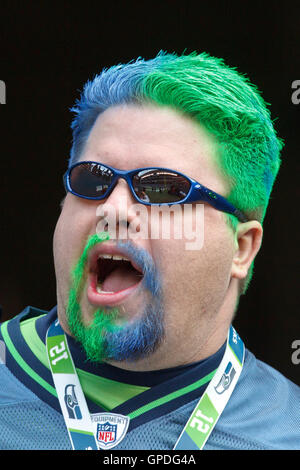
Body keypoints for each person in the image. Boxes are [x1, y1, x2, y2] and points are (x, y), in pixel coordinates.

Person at [0, 51, 299, 451]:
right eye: (93, 180)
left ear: (241, 249)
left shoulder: (287, 431)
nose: (113, 209)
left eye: (161, 188)